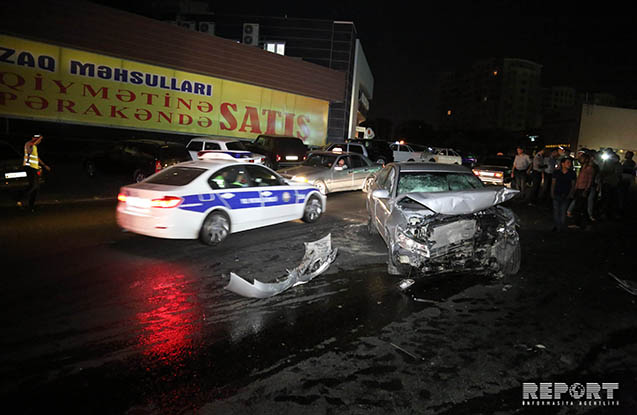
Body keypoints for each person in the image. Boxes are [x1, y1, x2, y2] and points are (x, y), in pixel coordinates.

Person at [21, 134, 51, 212]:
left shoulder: (34, 147)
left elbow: (37, 158)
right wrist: (39, 138)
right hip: (29, 167)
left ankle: (31, 206)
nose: (39, 141)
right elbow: (32, 145)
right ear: (33, 138)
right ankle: (18, 197)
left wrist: (44, 165)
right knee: (33, 186)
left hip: (34, 168)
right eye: (38, 139)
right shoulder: (28, 144)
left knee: (36, 187)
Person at [551, 157, 576, 232]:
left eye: (570, 163)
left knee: (563, 210)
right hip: (557, 193)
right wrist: (552, 192)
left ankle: (560, 226)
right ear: (562, 164)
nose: (569, 164)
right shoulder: (556, 172)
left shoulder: (572, 173)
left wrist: (570, 194)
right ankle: (557, 225)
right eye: (567, 162)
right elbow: (553, 183)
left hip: (565, 194)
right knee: (556, 211)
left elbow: (573, 184)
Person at [570, 153, 594, 229]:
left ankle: (577, 223)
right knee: (582, 206)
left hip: (583, 189)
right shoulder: (582, 168)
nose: (580, 159)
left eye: (582, 158)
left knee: (579, 206)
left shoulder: (589, 168)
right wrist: (575, 188)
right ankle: (586, 222)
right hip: (579, 188)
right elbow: (579, 179)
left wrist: (586, 190)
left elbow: (590, 180)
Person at [618, 151, 635, 215]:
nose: (625, 155)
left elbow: (627, 171)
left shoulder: (630, 163)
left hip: (626, 180)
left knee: (624, 195)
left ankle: (623, 209)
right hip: (625, 179)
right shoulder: (626, 162)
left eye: (627, 154)